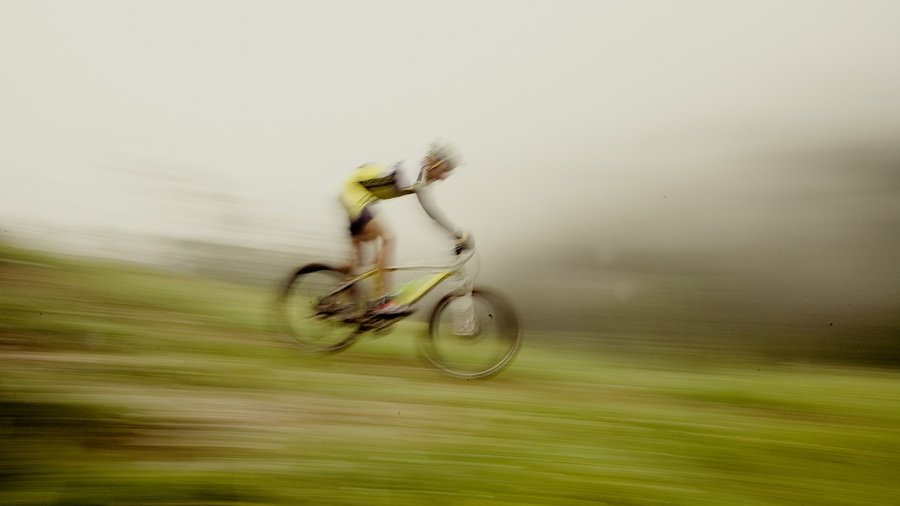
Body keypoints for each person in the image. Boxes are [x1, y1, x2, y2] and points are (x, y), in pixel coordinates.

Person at [338, 140, 473, 316]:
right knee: (388, 239)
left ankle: (340, 300)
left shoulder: (419, 172)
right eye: (445, 169)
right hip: (355, 192)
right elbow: (430, 211)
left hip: (357, 193)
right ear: (435, 162)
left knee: (359, 260)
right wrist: (457, 234)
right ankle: (382, 303)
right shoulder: (415, 170)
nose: (444, 177)